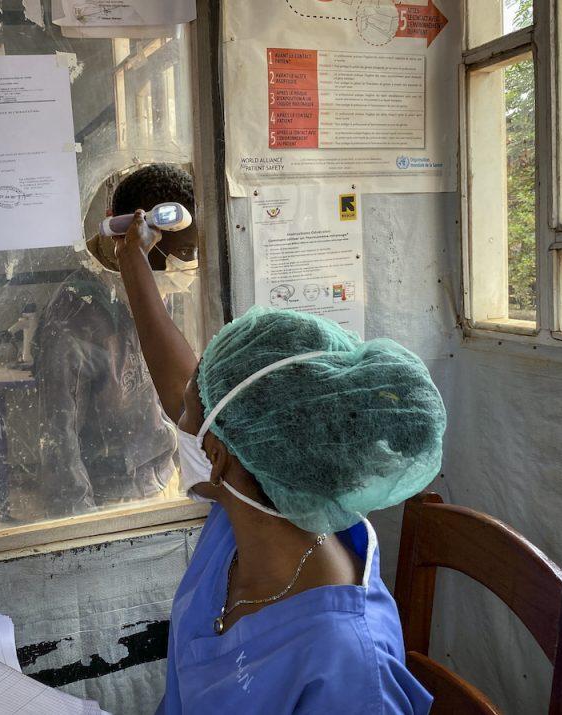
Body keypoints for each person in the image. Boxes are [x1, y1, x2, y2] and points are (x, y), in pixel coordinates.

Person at [113, 210, 446, 712]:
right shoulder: (252, 510)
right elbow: (173, 379)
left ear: (217, 458)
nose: (178, 408)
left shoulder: (348, 668)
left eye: (189, 407)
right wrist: (131, 258)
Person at [34, 164, 200, 517]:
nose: (192, 264)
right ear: (140, 238)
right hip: (112, 501)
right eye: (185, 252)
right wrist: (83, 525)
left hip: (158, 479)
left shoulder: (153, 290)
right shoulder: (77, 320)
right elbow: (60, 442)